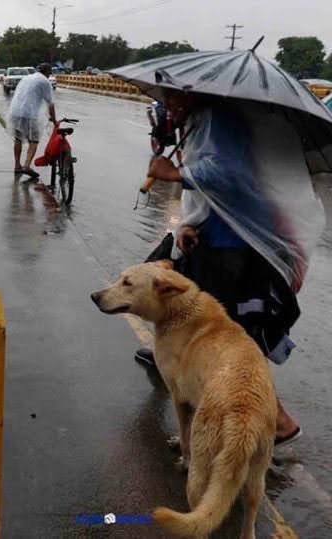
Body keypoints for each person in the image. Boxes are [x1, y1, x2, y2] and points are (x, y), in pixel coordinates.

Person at [138, 89, 325, 448]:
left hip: (231, 247)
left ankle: (278, 422)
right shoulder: (200, 120)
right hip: (215, 237)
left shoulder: (218, 120)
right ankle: (224, 421)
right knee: (223, 336)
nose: (170, 105)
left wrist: (176, 173)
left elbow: (229, 174)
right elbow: (215, 190)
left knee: (228, 338)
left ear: (192, 92)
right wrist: (191, 223)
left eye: (175, 98)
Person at [8, 63, 56, 179]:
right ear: (47, 73)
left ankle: (17, 166)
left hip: (15, 111)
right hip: (30, 114)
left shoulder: (27, 78)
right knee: (34, 140)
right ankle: (26, 165)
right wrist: (54, 120)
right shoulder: (44, 81)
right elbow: (50, 103)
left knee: (18, 139)